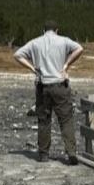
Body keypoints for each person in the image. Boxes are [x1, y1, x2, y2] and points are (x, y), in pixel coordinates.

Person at [13, 20, 84, 165]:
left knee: (44, 120)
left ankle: (44, 154)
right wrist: (66, 65)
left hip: (42, 85)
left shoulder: (35, 43)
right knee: (66, 120)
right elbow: (79, 49)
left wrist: (32, 68)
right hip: (59, 84)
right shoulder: (63, 41)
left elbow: (17, 55)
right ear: (57, 30)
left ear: (43, 30)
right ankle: (71, 152)